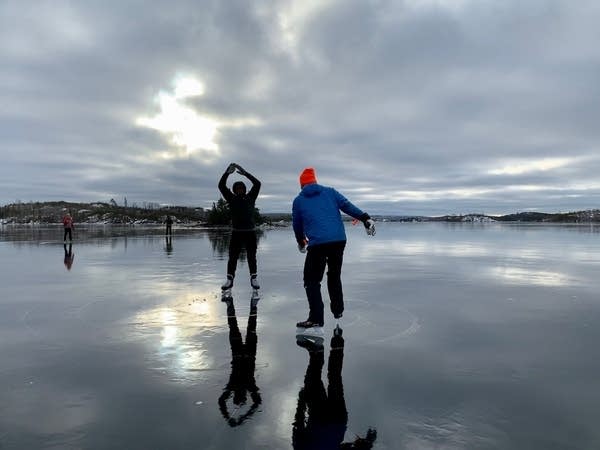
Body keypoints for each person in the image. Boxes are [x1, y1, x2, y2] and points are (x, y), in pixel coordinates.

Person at [292, 168, 375, 328]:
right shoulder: (330, 192)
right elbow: (347, 206)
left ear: (302, 185)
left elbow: (297, 225)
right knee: (334, 275)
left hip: (318, 244)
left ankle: (316, 318)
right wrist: (365, 217)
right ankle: (338, 310)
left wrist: (301, 242)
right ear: (315, 181)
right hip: (338, 240)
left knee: (311, 280)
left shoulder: (299, 200)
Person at [293, 327, 377, 449]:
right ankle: (317, 352)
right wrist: (301, 401)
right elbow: (298, 428)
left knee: (334, 379)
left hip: (337, 421)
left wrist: (368, 441)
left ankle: (336, 341)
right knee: (314, 380)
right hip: (321, 419)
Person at [218, 294, 262, 427]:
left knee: (245, 327)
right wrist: (239, 417)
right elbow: (221, 401)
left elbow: (256, 403)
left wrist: (241, 417)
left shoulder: (243, 386)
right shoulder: (237, 386)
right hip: (243, 353)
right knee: (236, 326)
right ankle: (238, 304)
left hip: (242, 353)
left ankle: (250, 305)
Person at [218, 163, 262, 290]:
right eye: (237, 189)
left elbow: (258, 184)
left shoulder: (251, 197)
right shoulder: (231, 198)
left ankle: (254, 278)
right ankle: (229, 280)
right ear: (234, 190)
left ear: (244, 189)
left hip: (250, 232)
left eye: (241, 188)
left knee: (251, 256)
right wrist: (227, 173)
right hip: (236, 233)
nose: (239, 190)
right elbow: (221, 186)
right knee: (232, 257)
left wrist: (246, 173)